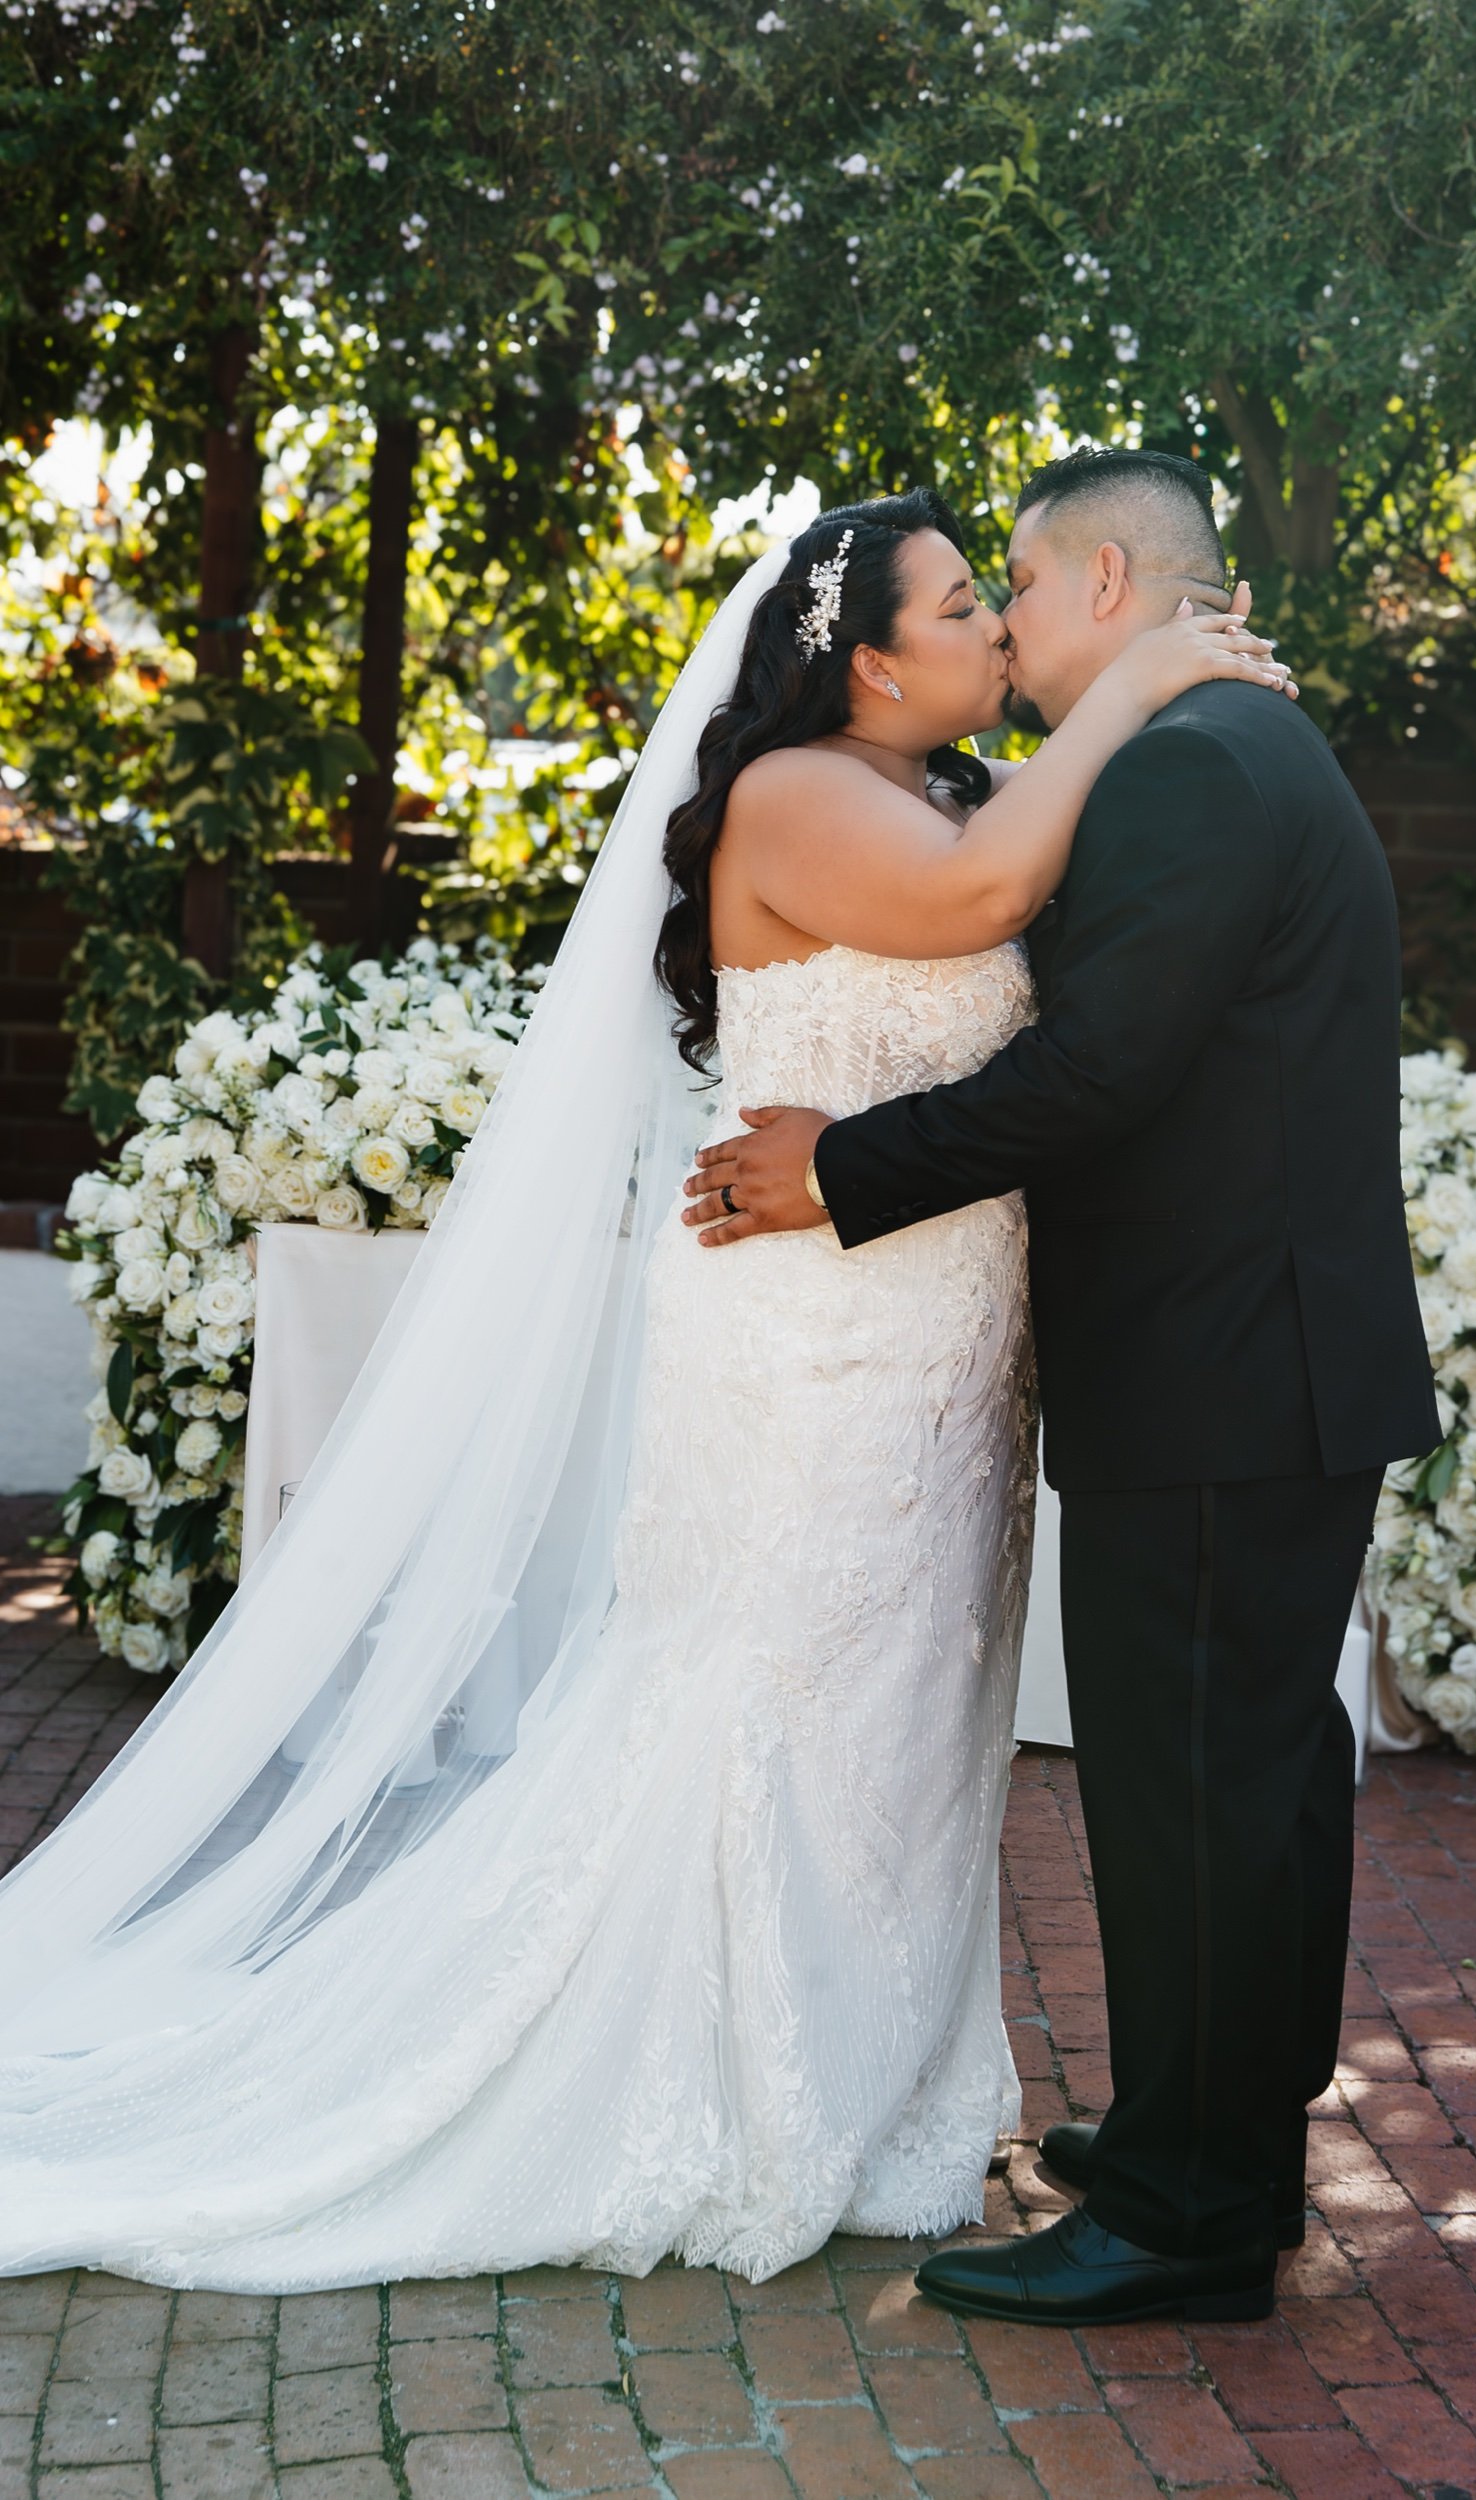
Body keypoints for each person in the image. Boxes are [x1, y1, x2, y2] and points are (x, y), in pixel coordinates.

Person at [0, 485, 1286, 2294]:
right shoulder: (798, 796)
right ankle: (723, 2081)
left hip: (942, 1347)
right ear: (866, 660)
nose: (1000, 631)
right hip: (815, 1346)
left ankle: (874, 2078)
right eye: (961, 608)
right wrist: (1139, 674)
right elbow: (994, 902)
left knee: (911, 1715)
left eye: (1003, 605)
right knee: (773, 1690)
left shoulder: (942, 785)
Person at [685, 447, 1443, 2329]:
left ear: (1107, 584)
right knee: (1245, 1780)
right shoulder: (1218, 747)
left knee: (1199, 1785)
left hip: (1217, 1360)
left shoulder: (1191, 763)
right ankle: (1214, 2131)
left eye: (1014, 590)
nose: (1007, 628)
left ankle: (1188, 2215)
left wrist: (839, 1169)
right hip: (1254, 1356)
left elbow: (1095, 1075)